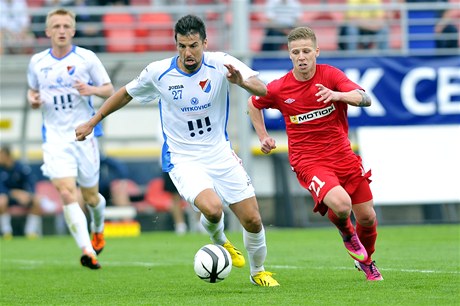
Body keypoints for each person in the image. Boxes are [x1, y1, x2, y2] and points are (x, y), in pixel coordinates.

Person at [76, 14, 279, 286]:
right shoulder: (158, 72)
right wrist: (93, 121)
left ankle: (258, 272)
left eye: (193, 45)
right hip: (183, 158)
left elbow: (262, 89)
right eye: (182, 46)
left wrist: (240, 80)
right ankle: (221, 241)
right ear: (176, 44)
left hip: (219, 153)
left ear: (205, 43)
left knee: (253, 219)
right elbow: (124, 93)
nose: (188, 52)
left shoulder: (221, 63)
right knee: (213, 208)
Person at [247, 26, 383, 281]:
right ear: (289, 55)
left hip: (343, 155)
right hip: (309, 161)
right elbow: (253, 103)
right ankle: (346, 234)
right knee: (342, 206)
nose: (301, 56)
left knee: (367, 216)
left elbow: (365, 98)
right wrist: (263, 135)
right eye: (296, 52)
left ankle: (367, 260)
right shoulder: (279, 88)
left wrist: (337, 95)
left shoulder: (330, 76)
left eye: (306, 51)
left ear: (316, 52)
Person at [27, 8, 115, 269]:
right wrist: (32, 100)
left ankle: (98, 227)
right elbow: (33, 92)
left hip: (83, 135)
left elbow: (109, 89)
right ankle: (87, 250)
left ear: (73, 30)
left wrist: (91, 89)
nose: (61, 30)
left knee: (91, 197)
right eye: (56, 26)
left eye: (66, 26)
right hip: (54, 138)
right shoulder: (37, 63)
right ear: (47, 31)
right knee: (66, 192)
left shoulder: (87, 59)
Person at [0, 145, 42, 239]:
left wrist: (28, 194)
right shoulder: (0, 169)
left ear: (7, 156)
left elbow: (31, 183)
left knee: (37, 201)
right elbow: (1, 188)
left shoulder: (21, 167)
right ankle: (6, 232)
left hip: (23, 197)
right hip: (8, 197)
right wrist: (14, 193)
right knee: (1, 201)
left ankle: (31, 232)